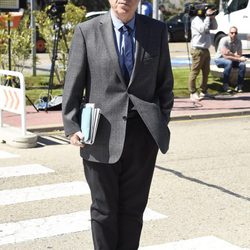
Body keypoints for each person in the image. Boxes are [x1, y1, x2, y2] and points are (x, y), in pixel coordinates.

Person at [62, 0, 174, 249]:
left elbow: (165, 83)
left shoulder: (156, 31)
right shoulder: (87, 31)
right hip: (99, 134)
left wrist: (158, 122)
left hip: (142, 136)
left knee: (133, 211)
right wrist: (71, 125)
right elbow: (73, 82)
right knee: (103, 210)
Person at [188, 8, 218, 101]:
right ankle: (192, 92)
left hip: (205, 49)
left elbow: (215, 27)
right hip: (197, 49)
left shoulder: (206, 19)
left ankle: (203, 91)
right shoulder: (196, 20)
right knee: (195, 72)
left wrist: (212, 17)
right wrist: (208, 17)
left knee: (206, 72)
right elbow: (202, 29)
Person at [214, 26, 247, 93]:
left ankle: (239, 85)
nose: (233, 34)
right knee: (228, 62)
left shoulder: (238, 41)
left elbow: (239, 54)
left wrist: (234, 55)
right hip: (219, 59)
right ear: (228, 33)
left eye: (235, 33)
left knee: (242, 64)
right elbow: (225, 56)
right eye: (232, 33)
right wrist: (236, 56)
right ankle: (225, 85)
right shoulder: (224, 40)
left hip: (231, 59)